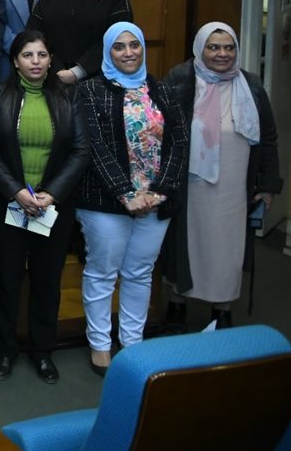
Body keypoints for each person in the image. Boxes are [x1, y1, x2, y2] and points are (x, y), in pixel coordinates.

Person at [75, 22, 187, 375]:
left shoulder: (163, 90)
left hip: (155, 201)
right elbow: (93, 146)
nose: (128, 52)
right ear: (108, 52)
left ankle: (132, 343)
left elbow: (179, 143)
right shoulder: (90, 90)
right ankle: (100, 345)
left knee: (140, 273)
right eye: (119, 47)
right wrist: (125, 193)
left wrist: (159, 190)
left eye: (134, 45)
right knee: (102, 273)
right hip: (105, 202)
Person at [0, 30, 89, 384]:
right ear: (15, 61)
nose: (35, 61)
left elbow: (80, 150)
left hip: (52, 207)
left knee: (47, 281)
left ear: (50, 59)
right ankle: (4, 350)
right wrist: (16, 192)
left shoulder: (69, 95)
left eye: (42, 55)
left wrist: (51, 194)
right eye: (28, 55)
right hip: (9, 203)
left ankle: (42, 351)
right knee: (7, 280)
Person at [161, 23, 281, 330]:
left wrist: (268, 185)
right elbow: (160, 134)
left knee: (227, 250)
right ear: (200, 49)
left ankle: (222, 309)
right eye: (213, 47)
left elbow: (268, 139)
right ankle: (177, 305)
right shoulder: (179, 79)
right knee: (184, 245)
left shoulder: (251, 86)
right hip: (189, 187)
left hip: (234, 187)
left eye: (229, 47)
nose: (222, 54)